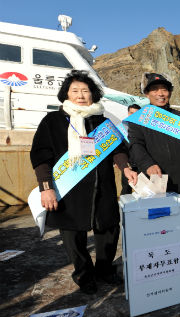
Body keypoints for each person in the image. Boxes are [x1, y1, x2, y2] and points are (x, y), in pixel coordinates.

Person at [30, 70, 138, 294]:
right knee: (72, 236)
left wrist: (126, 167)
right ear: (66, 94)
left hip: (103, 187)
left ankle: (105, 270)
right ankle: (84, 274)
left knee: (108, 229)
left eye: (85, 91)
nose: (81, 95)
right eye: (75, 91)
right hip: (69, 189)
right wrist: (46, 188)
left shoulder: (103, 122)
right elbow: (41, 156)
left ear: (93, 94)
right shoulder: (53, 121)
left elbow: (118, 149)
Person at [128, 72, 180, 265]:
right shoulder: (139, 119)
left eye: (164, 90)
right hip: (157, 183)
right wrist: (147, 164)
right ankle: (162, 265)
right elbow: (135, 146)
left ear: (169, 92)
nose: (160, 94)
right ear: (147, 94)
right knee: (159, 226)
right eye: (155, 90)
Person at [120, 104, 141, 195]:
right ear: (128, 113)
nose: (133, 115)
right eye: (131, 112)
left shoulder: (144, 128)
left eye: (136, 113)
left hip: (141, 164)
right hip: (128, 165)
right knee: (126, 189)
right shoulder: (121, 128)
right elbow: (119, 147)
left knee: (142, 189)